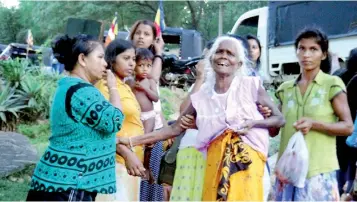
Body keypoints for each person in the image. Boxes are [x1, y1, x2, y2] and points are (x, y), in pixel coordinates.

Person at [121, 35, 286, 201]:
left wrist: (254, 123)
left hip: (248, 166)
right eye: (219, 52)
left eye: (230, 53)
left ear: (239, 63)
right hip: (213, 166)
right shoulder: (202, 97)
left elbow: (279, 119)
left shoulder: (251, 86)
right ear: (211, 58)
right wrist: (131, 141)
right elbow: (173, 129)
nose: (224, 56)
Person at [26, 34, 126, 201]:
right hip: (72, 181)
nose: (105, 63)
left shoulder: (69, 86)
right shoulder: (82, 91)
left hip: (60, 179)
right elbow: (114, 121)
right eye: (100, 57)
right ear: (82, 59)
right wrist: (113, 87)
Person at [272, 28, 354, 201]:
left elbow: (347, 127)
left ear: (323, 55)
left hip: (318, 172)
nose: (306, 54)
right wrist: (266, 114)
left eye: (313, 49)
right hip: (288, 173)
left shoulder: (332, 84)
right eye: (301, 48)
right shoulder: (285, 89)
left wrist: (315, 124)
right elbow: (274, 130)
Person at [95, 39, 146, 201]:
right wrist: (125, 152)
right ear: (112, 60)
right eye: (126, 58)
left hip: (130, 164)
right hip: (115, 163)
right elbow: (102, 129)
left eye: (133, 58)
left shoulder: (123, 86)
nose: (132, 63)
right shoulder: (106, 87)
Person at [129, 19, 168, 201]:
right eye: (138, 33)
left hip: (153, 128)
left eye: (146, 34)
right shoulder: (125, 59)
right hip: (130, 128)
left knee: (150, 175)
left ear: (154, 38)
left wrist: (158, 53)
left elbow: (154, 79)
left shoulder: (150, 68)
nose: (141, 37)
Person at [335, 48, 357, 196]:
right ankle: (348, 190)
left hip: (340, 125)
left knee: (341, 160)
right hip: (352, 127)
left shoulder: (338, 76)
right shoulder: (354, 80)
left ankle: (338, 190)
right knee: (351, 161)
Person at [133, 48, 159, 133]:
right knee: (136, 136)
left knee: (146, 137)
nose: (145, 69)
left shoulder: (150, 81)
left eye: (148, 65)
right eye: (141, 65)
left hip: (148, 115)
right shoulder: (130, 81)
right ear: (134, 65)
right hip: (135, 115)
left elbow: (156, 98)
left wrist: (145, 89)